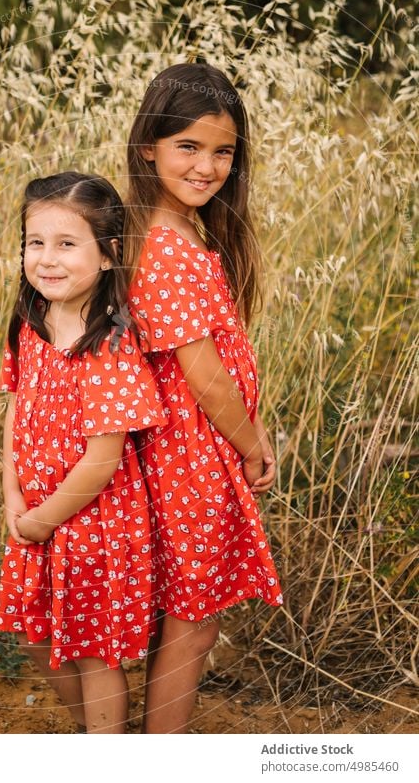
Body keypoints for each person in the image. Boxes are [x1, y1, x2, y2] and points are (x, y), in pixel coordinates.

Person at [124, 62, 284, 733]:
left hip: (193, 454)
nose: (208, 165)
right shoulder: (163, 246)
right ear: (148, 148)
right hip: (189, 459)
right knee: (192, 624)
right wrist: (253, 442)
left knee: (185, 617)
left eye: (223, 151)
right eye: (188, 146)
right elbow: (205, 377)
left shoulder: (188, 233)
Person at [0, 171, 166, 734]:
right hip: (35, 516)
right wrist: (13, 495)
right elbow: (16, 408)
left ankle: (106, 749)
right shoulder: (31, 320)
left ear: (110, 255)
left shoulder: (109, 342)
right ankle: (95, 737)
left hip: (92, 522)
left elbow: (102, 459)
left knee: (94, 650)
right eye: (35, 242)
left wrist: (47, 518)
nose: (47, 258)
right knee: (36, 632)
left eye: (67, 244)